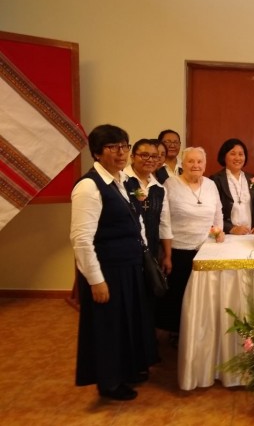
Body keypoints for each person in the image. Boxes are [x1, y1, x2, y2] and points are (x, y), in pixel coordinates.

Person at [70, 124, 158, 401]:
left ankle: (128, 370)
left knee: (127, 323)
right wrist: (96, 280)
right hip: (108, 271)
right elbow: (82, 239)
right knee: (108, 328)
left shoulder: (121, 181)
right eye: (113, 147)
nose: (121, 152)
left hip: (128, 267)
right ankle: (109, 382)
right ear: (97, 152)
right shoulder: (88, 186)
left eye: (124, 146)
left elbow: (136, 220)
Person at [156, 147, 225, 340]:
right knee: (179, 295)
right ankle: (179, 335)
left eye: (199, 161)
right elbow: (165, 220)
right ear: (183, 164)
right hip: (179, 250)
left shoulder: (211, 185)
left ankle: (200, 333)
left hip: (206, 250)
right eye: (191, 161)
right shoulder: (171, 184)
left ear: (205, 164)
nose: (195, 165)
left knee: (202, 296)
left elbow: (218, 212)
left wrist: (219, 232)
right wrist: (167, 254)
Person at [125, 139, 173, 271]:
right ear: (133, 157)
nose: (150, 160)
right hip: (126, 249)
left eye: (154, 156)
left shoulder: (159, 188)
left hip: (151, 248)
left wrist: (167, 255)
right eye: (144, 155)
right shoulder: (122, 181)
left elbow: (165, 223)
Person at [211, 138, 254, 234]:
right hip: (227, 235)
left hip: (251, 234)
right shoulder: (216, 180)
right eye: (233, 154)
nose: (237, 158)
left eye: (241, 154)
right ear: (224, 156)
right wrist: (231, 228)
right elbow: (211, 212)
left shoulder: (252, 179)